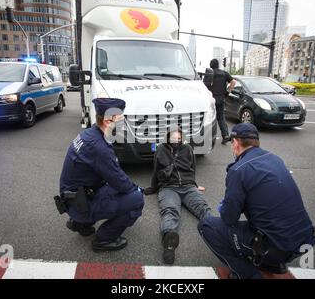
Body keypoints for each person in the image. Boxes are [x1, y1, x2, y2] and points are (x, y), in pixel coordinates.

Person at [198, 123, 315, 279]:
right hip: (304, 240)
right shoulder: (275, 159)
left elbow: (229, 218)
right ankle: (272, 263)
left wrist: (229, 205)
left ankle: (247, 274)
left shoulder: (238, 170)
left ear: (235, 143)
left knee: (207, 225)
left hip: (277, 246)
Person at [57, 98, 144, 252]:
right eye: (120, 118)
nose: (123, 121)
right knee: (136, 200)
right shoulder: (99, 148)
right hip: (80, 201)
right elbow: (120, 181)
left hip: (75, 197)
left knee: (112, 187)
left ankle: (79, 222)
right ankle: (104, 239)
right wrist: (136, 189)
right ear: (107, 120)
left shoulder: (90, 133)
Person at [144, 128, 212, 264]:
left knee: (203, 207)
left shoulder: (187, 149)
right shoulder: (161, 149)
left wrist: (194, 184)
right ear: (168, 138)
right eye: (173, 138)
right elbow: (156, 169)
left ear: (182, 138)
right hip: (169, 187)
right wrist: (153, 187)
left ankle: (218, 230)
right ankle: (169, 241)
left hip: (188, 186)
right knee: (170, 211)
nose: (176, 141)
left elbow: (192, 167)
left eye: (178, 138)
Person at [206, 59, 236, 145]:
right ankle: (226, 136)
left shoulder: (209, 74)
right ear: (218, 65)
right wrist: (227, 92)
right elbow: (233, 82)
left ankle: (208, 138)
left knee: (209, 119)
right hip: (221, 99)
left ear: (211, 66)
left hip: (211, 100)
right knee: (221, 118)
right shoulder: (224, 73)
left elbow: (205, 86)